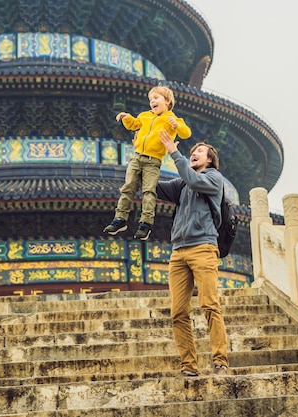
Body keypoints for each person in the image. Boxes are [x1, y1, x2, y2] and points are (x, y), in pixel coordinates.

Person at [156, 129, 229, 376]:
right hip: (178, 252)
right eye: (192, 152)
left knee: (209, 305)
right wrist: (145, 156)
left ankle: (220, 360)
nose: (193, 154)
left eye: (198, 151)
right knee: (178, 312)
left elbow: (194, 180)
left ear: (209, 159)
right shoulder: (182, 185)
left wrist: (175, 153)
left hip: (203, 248)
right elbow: (154, 187)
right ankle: (188, 365)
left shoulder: (213, 178)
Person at [103, 85, 191, 240]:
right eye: (151, 99)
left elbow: (186, 133)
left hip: (153, 161)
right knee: (128, 187)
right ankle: (120, 219)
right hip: (137, 157)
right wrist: (126, 117)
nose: (152, 102)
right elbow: (134, 124)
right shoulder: (145, 116)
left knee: (149, 191)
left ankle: (145, 223)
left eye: (156, 98)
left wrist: (177, 126)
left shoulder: (172, 119)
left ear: (168, 101)